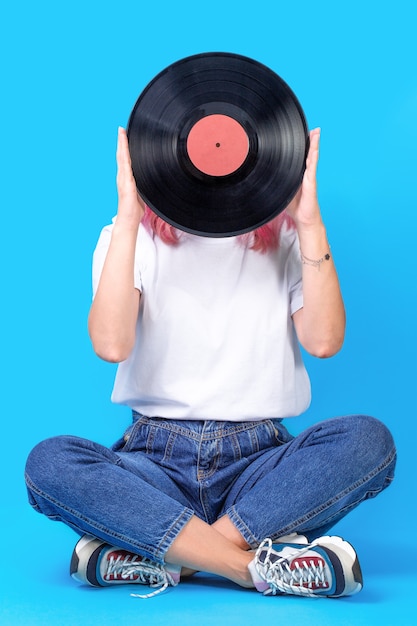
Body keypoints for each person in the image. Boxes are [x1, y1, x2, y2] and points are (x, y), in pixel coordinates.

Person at [25, 126, 396, 599]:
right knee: (49, 462)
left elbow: (323, 342)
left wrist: (308, 224)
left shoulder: (290, 240)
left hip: (260, 469)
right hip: (153, 467)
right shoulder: (124, 237)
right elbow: (111, 345)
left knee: (369, 441)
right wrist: (127, 213)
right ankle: (252, 568)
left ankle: (162, 554)